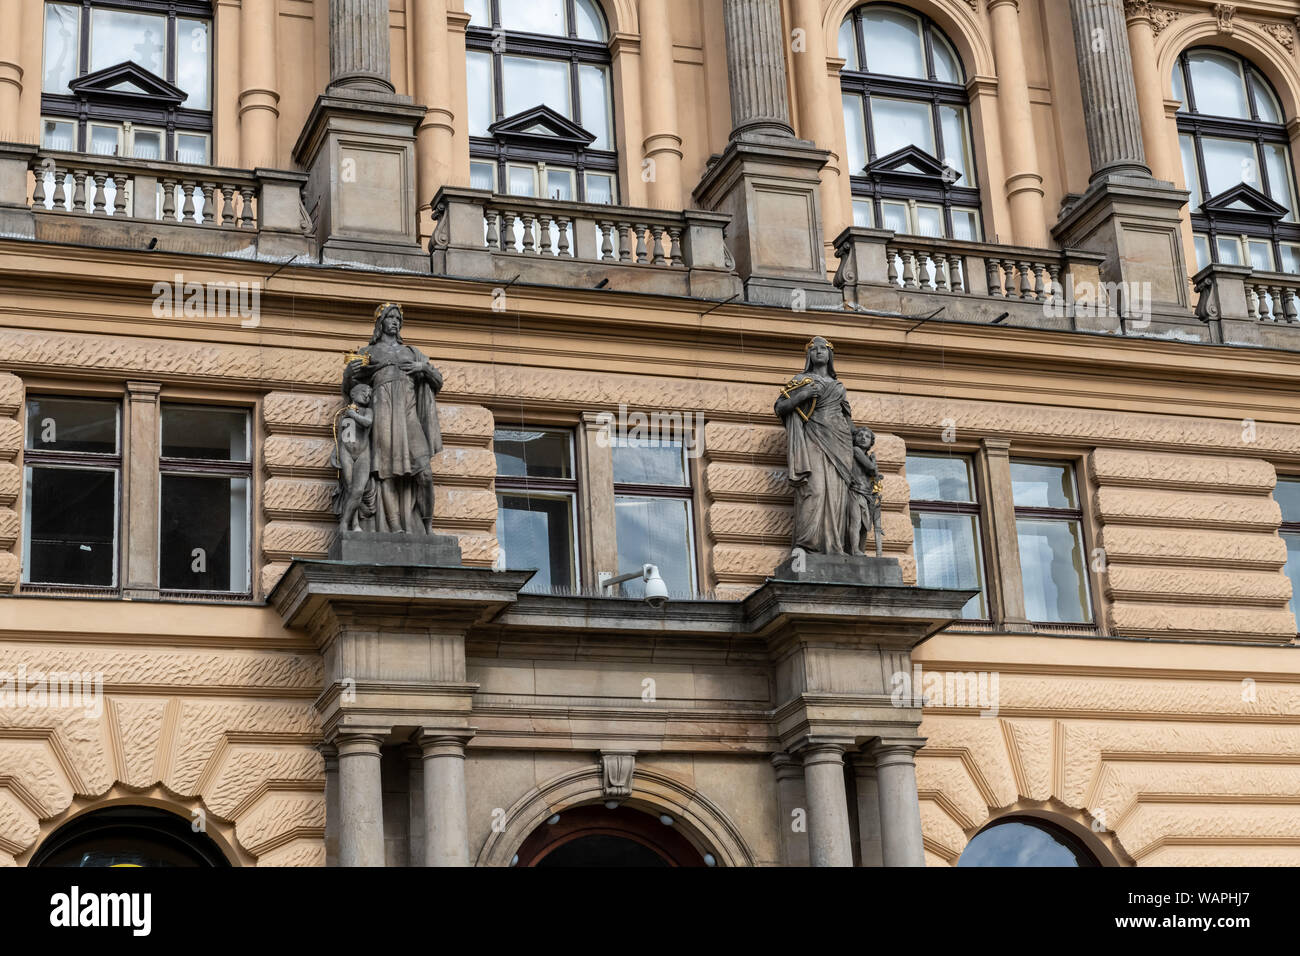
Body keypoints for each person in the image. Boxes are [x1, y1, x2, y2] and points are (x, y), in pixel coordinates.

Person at [341, 303, 444, 533]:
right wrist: (349, 374)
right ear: (380, 322)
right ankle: (395, 527)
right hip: (382, 413)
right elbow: (351, 390)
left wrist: (423, 368)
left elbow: (438, 381)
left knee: (424, 472)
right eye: (390, 318)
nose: (395, 322)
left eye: (398, 318)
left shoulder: (412, 352)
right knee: (385, 473)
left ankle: (427, 525)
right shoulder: (368, 352)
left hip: (408, 412)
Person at [773, 336, 855, 555]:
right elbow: (780, 407)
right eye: (814, 349)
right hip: (813, 437)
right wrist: (804, 395)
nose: (819, 352)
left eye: (823, 349)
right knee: (815, 489)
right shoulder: (801, 380)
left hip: (840, 444)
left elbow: (847, 419)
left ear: (830, 355)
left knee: (838, 495)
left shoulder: (839, 386)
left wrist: (859, 445)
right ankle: (806, 545)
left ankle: (833, 546)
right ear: (808, 355)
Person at [333, 382, 374, 532]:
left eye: (369, 394)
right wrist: (334, 454)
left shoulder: (367, 411)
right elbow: (340, 436)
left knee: (358, 491)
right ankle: (354, 524)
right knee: (350, 489)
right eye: (364, 392)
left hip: (363, 452)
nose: (367, 395)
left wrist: (354, 415)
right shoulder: (344, 413)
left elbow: (368, 422)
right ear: (353, 394)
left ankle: (345, 521)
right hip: (346, 452)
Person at [847, 425, 884, 557]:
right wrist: (873, 462)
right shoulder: (856, 450)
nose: (863, 438)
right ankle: (854, 550)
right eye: (860, 435)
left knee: (864, 526)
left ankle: (860, 550)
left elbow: (874, 476)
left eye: (867, 436)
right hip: (855, 492)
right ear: (855, 438)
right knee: (856, 521)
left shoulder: (866, 456)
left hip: (866, 494)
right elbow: (871, 469)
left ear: (871, 442)